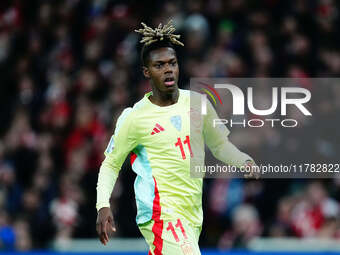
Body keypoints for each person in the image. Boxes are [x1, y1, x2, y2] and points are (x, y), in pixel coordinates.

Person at [96, 20, 258, 255]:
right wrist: (103, 204)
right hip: (161, 215)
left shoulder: (198, 103)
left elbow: (220, 145)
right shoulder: (134, 118)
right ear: (146, 71)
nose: (168, 69)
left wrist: (242, 160)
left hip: (191, 215)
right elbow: (111, 164)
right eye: (159, 65)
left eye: (172, 63)